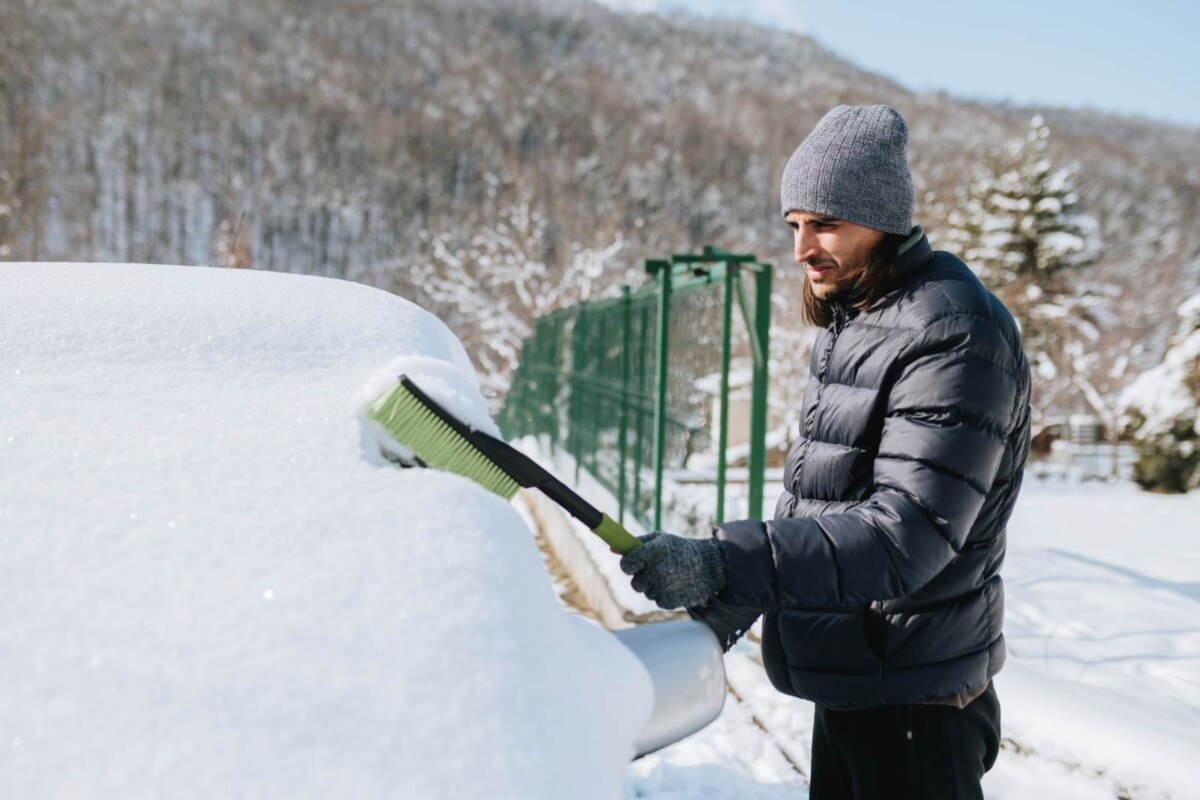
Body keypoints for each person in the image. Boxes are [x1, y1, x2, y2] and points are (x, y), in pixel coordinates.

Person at [620, 104, 1032, 800]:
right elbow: (823, 502)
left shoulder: (953, 332)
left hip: (914, 704)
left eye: (826, 224)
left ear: (884, 219)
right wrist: (733, 597)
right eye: (795, 225)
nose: (802, 248)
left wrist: (729, 560)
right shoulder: (863, 319)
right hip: (861, 679)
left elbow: (907, 536)